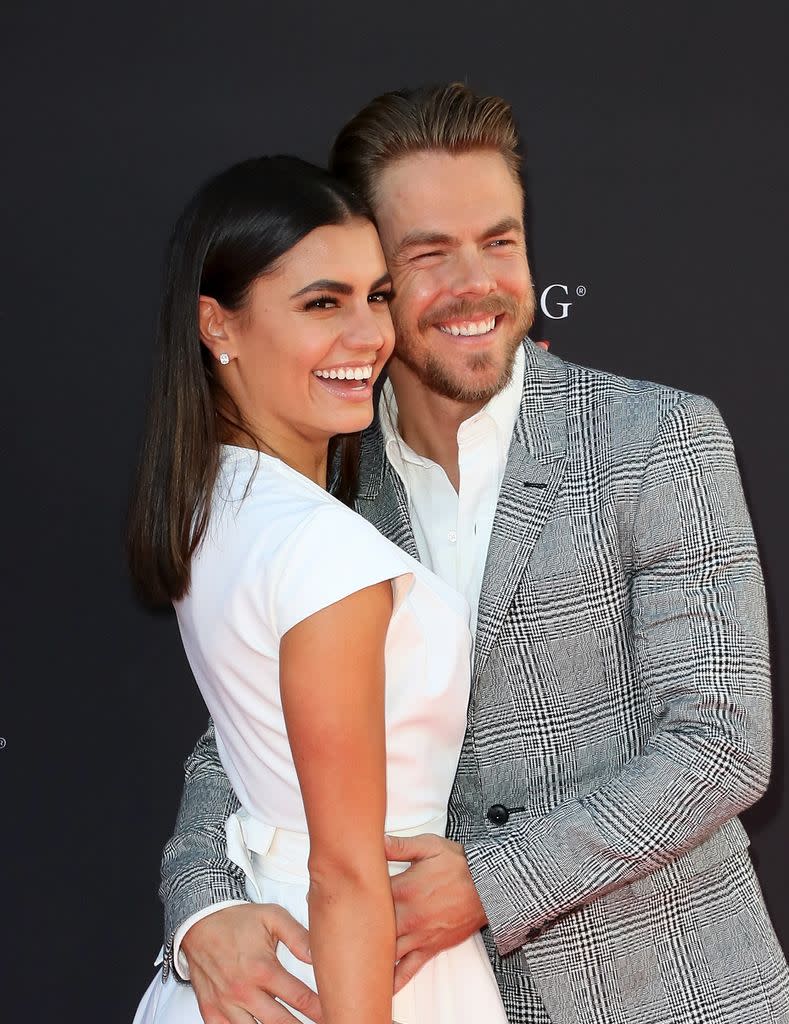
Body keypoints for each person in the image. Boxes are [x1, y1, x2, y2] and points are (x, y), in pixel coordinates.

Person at [153, 85, 789, 1024]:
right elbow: (252, 733)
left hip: (674, 994)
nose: (476, 284)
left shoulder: (654, 438)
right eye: (427, 254)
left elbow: (721, 739)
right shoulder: (324, 473)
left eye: (499, 241)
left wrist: (491, 881)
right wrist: (201, 899)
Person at [128, 154, 510, 1024]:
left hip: (278, 965)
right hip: (355, 979)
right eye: (320, 303)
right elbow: (344, 877)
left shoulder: (215, 503)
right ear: (216, 326)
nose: (368, 335)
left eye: (376, 295)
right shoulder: (321, 548)